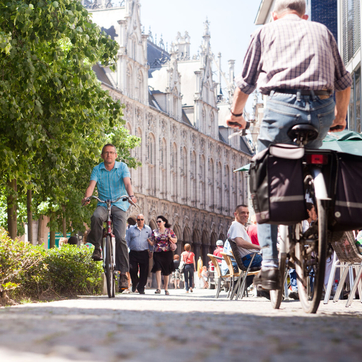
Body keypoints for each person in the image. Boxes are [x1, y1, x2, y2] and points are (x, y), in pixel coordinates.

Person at [226, 0, 351, 291]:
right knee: (314, 157)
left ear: (275, 14)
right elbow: (344, 83)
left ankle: (270, 265)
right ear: (304, 15)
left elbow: (246, 83)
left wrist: (235, 115)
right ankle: (316, 209)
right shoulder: (321, 30)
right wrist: (340, 117)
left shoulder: (264, 33)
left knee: (264, 175)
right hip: (321, 109)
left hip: (281, 108)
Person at [82, 143, 137, 293]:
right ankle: (97, 248)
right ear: (102, 155)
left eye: (112, 152)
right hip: (103, 203)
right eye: (106, 153)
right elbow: (91, 185)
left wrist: (131, 196)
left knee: (121, 237)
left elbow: (127, 183)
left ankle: (123, 274)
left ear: (115, 155)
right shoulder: (97, 169)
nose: (109, 155)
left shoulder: (122, 167)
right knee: (95, 217)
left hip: (119, 204)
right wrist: (87, 197)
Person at [147, 215, 177, 295]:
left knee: (166, 271)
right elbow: (153, 242)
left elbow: (175, 240)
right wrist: (149, 241)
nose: (158, 223)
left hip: (167, 253)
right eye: (157, 222)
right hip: (157, 252)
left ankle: (166, 288)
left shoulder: (169, 231)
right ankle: (158, 288)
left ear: (164, 222)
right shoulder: (154, 231)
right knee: (158, 268)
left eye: (159, 221)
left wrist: (170, 238)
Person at [126, 214, 152, 294]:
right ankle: (135, 282)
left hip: (144, 252)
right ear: (136, 221)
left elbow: (151, 240)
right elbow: (127, 240)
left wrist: (151, 251)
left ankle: (141, 287)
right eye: (138, 219)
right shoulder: (131, 230)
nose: (140, 221)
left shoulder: (148, 229)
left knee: (144, 271)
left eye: (142, 219)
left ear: (144, 220)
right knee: (132, 269)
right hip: (133, 252)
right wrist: (127, 250)